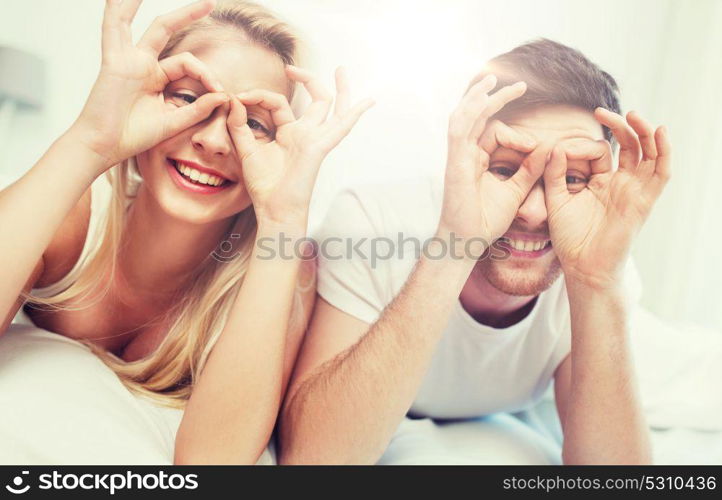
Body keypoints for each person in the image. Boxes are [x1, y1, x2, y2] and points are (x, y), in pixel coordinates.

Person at [0, 0, 372, 464]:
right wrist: (91, 140)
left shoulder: (285, 270)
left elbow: (212, 465)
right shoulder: (74, 212)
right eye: (189, 98)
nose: (214, 141)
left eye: (253, 124)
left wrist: (282, 219)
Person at [279, 39, 671, 465]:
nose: (536, 212)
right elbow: (312, 463)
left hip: (522, 407)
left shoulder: (602, 265)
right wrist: (454, 247)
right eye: (505, 169)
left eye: (572, 178)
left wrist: (597, 283)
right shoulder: (371, 223)